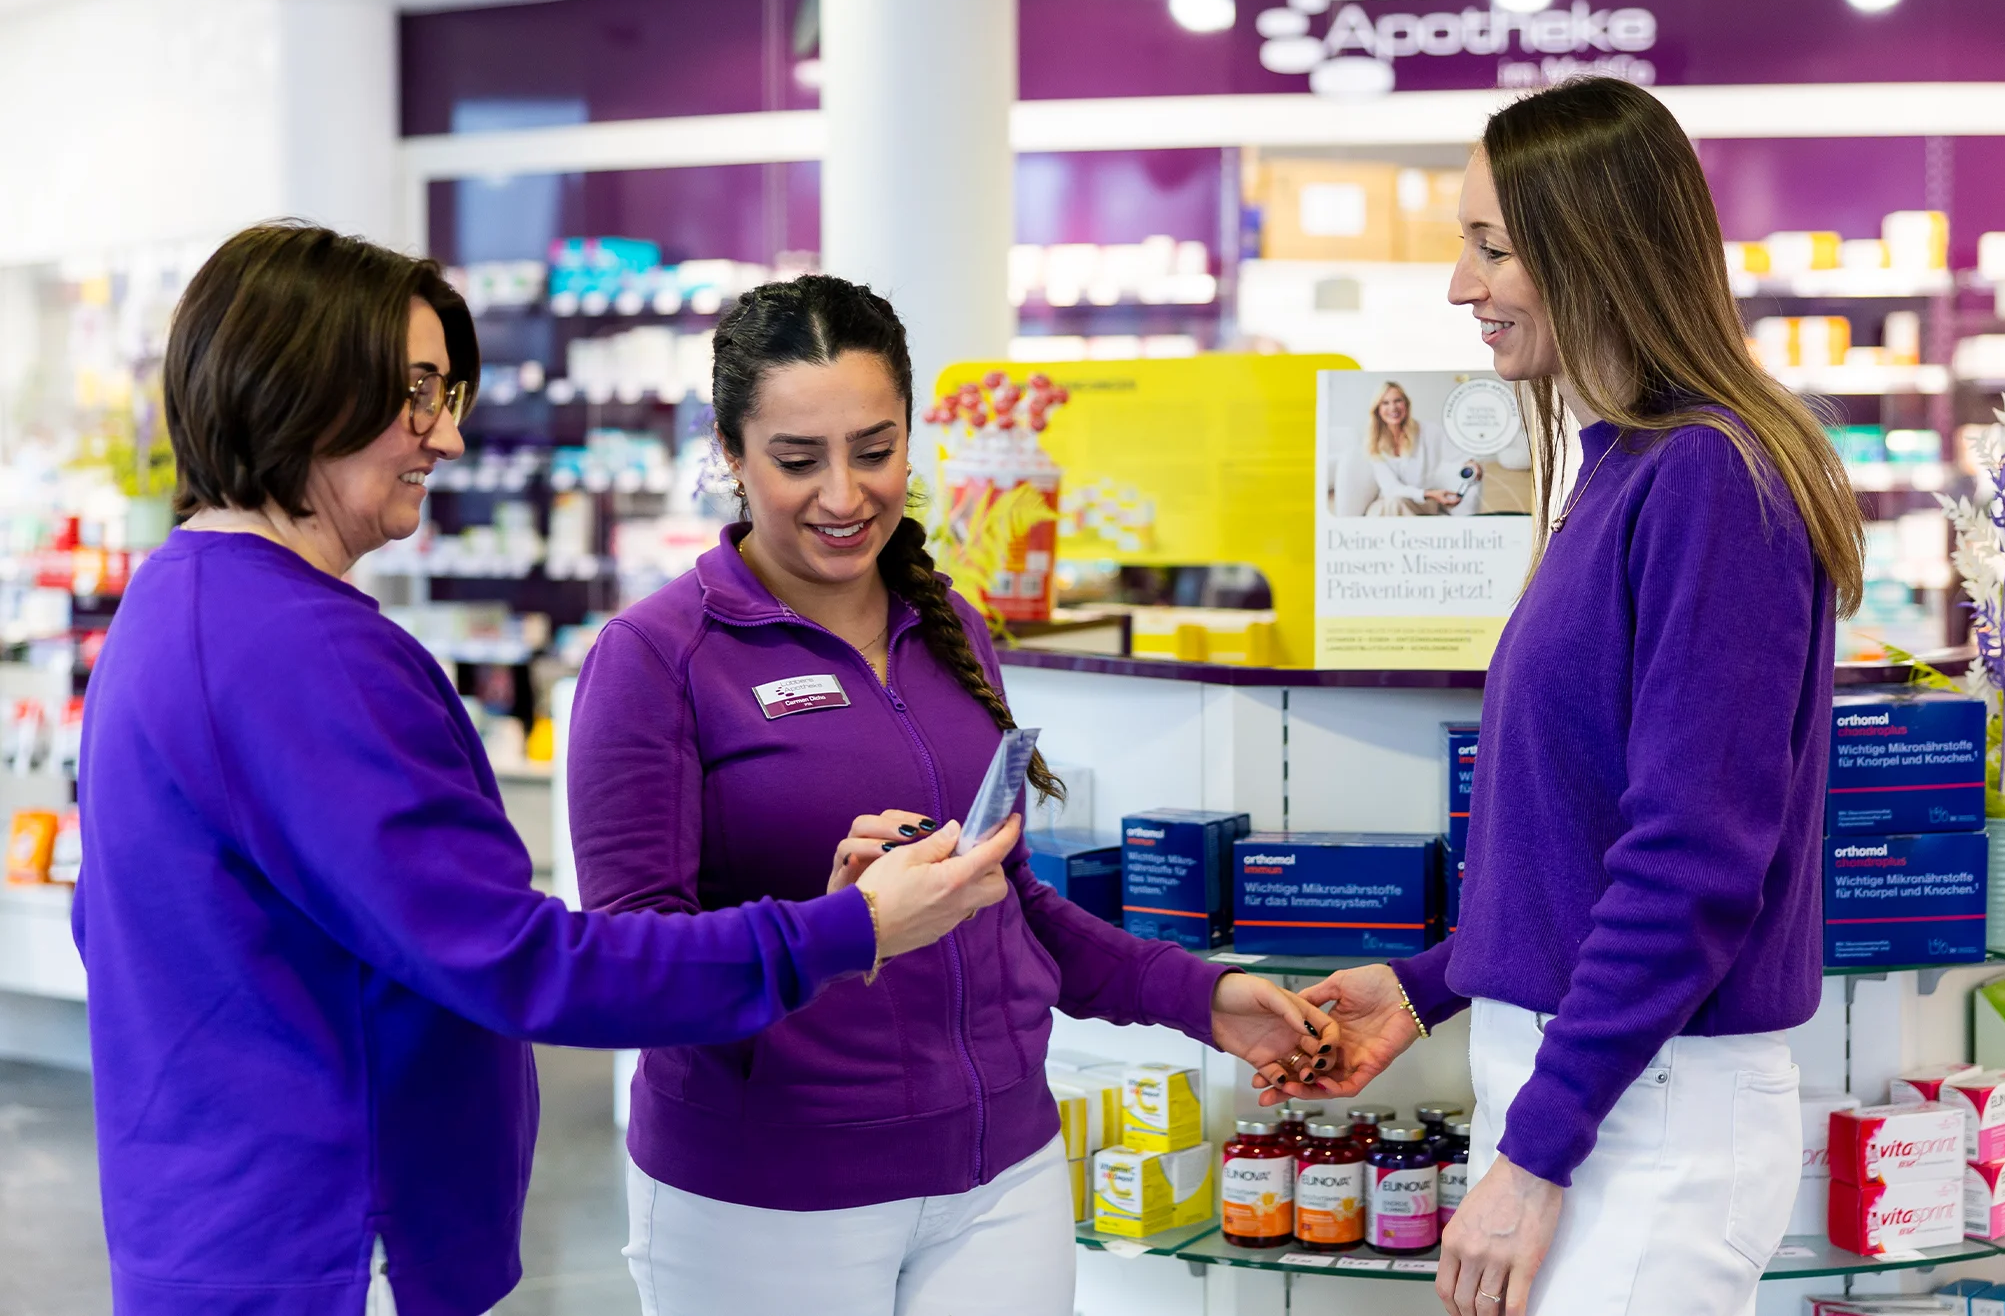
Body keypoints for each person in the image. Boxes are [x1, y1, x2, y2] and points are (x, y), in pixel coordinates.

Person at [73, 224, 1024, 1316]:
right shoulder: (304, 651)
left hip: (228, 1227)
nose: (446, 436)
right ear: (299, 385)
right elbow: (524, 964)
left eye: (450, 392)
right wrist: (843, 929)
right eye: (417, 391)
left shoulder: (175, 605)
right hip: (333, 1246)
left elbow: (112, 926)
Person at [564, 274, 1339, 1316]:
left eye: (874, 450)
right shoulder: (656, 658)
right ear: (731, 454)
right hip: (771, 1201)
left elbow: (1008, 900)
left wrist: (1197, 995)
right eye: (797, 460)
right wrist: (844, 924)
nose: (843, 496)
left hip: (1003, 1178)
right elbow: (630, 970)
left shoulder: (949, 627)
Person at [1292, 78, 1864, 1316]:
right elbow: (1588, 830)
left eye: (1490, 246)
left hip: (1646, 1113)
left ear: (1592, 247)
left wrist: (1535, 1154)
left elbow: (1691, 861)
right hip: (1602, 1082)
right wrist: (1436, 979)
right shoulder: (1628, 467)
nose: (1461, 285)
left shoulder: (1710, 478)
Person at [1364, 381, 1470, 516]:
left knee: (1393, 506)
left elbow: (1455, 451)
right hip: (1390, 499)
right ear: (1378, 409)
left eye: (1398, 401)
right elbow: (1390, 487)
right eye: (1385, 403)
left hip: (1424, 501)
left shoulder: (1427, 431)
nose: (1393, 408)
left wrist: (1470, 463)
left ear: (1406, 404)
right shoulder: (1375, 443)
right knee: (1378, 511)